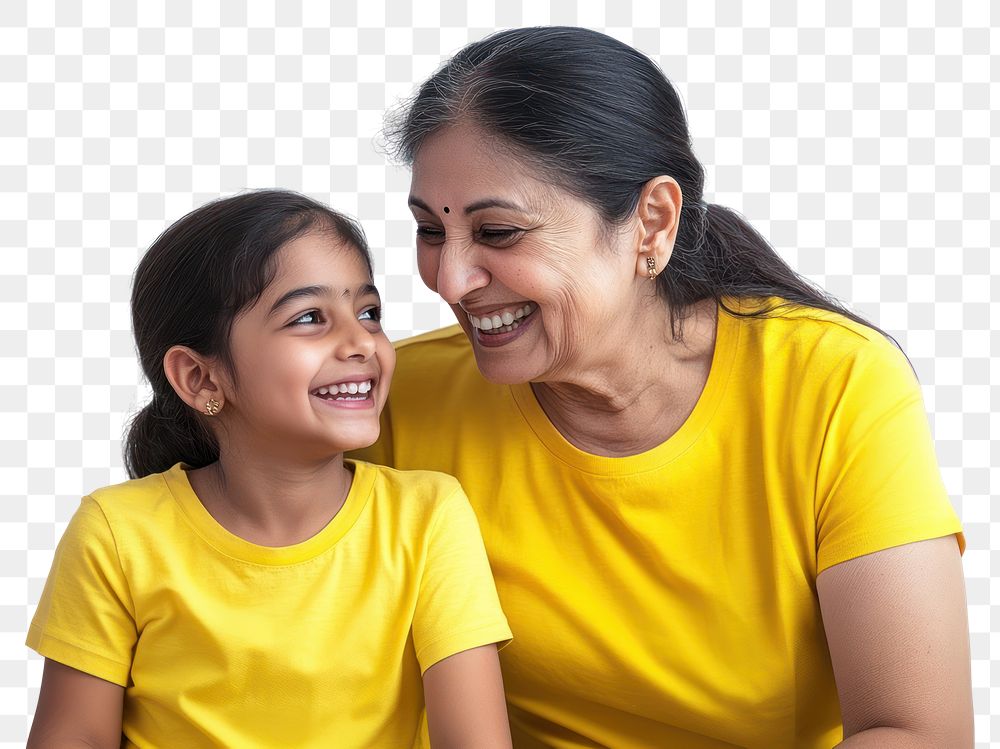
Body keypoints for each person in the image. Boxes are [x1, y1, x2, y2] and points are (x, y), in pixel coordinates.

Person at [354, 27, 973, 748]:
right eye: (430, 230)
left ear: (652, 221)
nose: (449, 279)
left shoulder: (830, 383)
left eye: (498, 232)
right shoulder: (397, 398)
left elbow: (918, 731)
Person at [26, 190, 513, 749]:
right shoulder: (115, 534)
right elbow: (73, 737)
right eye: (309, 318)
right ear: (200, 379)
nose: (361, 343)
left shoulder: (428, 516)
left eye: (369, 313)